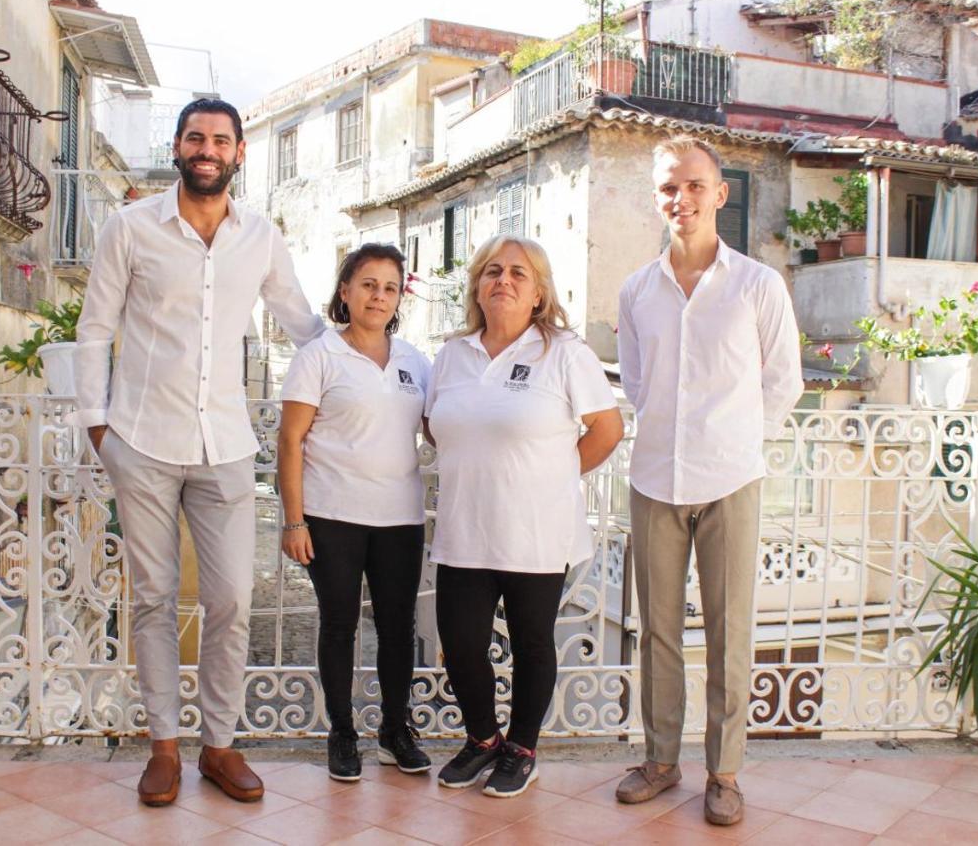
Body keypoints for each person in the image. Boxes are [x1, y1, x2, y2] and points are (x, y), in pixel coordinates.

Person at [74, 98, 324, 807]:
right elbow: (96, 330)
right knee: (152, 599)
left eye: (220, 139)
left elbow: (299, 321)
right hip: (142, 441)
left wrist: (364, 361)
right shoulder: (130, 228)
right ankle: (163, 749)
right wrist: (100, 430)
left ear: (240, 152)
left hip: (225, 447)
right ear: (179, 147)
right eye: (195, 137)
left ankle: (219, 744)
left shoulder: (261, 236)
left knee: (231, 599)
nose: (207, 149)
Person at [613, 136, 803, 825]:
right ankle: (661, 760)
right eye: (669, 187)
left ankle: (724, 772)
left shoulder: (758, 284)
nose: (681, 198)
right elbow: (636, 383)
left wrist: (737, 445)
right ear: (657, 196)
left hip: (732, 479)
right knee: (657, 628)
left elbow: (784, 382)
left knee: (729, 630)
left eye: (694, 185)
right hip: (655, 475)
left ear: (719, 195)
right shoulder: (637, 290)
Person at [426, 235, 624, 798]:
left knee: (531, 642)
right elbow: (431, 424)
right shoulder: (452, 355)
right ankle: (484, 739)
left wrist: (552, 477)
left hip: (537, 531)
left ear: (538, 292)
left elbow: (607, 430)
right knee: (461, 643)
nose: (503, 280)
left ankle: (522, 747)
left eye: (518, 272)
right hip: (465, 528)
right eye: (492, 271)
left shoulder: (564, 352)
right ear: (477, 286)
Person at [277, 243, 434, 782]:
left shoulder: (416, 361)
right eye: (368, 284)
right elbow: (290, 441)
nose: (379, 296)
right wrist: (294, 521)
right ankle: (342, 733)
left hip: (400, 517)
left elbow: (440, 429)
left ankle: (395, 731)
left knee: (397, 627)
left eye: (390, 287)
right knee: (340, 624)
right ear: (345, 291)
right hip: (332, 514)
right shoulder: (319, 355)